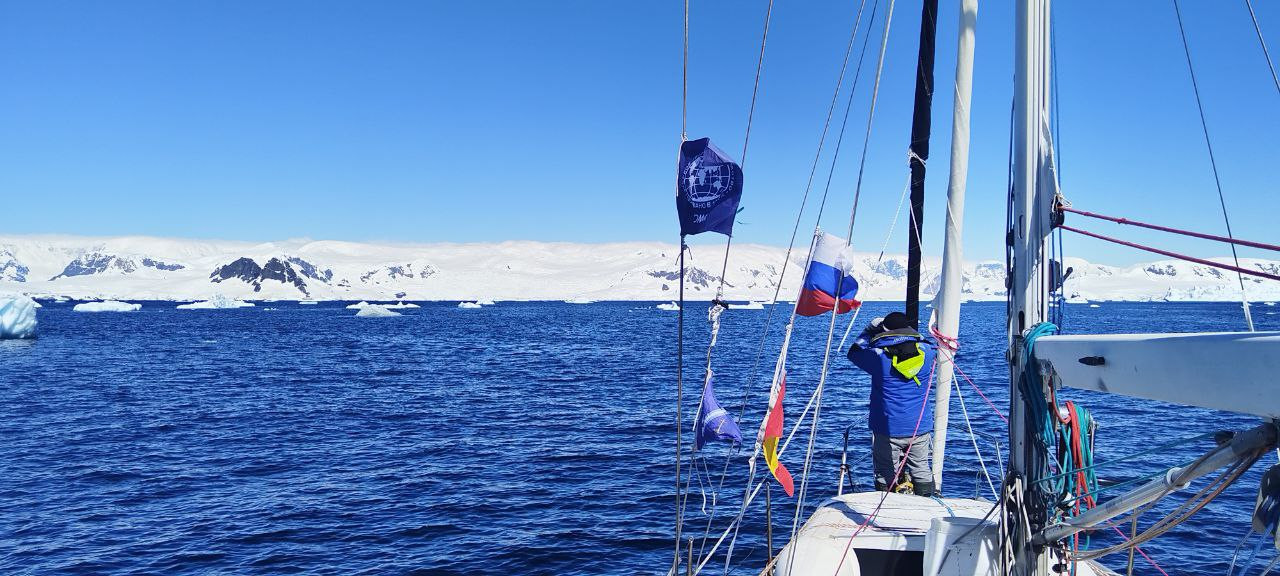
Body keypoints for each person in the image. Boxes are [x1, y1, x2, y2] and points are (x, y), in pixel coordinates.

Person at [846, 311, 937, 496]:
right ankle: (927, 502)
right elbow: (924, 340)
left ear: (885, 331)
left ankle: (886, 505)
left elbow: (854, 352)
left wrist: (869, 330)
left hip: (888, 427)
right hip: (919, 426)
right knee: (921, 468)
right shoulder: (927, 353)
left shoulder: (879, 357)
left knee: (885, 472)